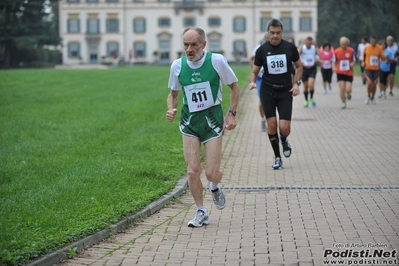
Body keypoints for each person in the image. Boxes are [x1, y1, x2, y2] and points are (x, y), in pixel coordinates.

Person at [166, 27, 240, 228]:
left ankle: (215, 186)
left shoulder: (216, 61)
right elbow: (173, 94)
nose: (189, 49)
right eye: (185, 45)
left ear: (203, 45)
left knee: (211, 173)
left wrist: (231, 113)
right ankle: (201, 211)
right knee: (192, 170)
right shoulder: (177, 66)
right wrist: (171, 109)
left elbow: (234, 86)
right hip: (190, 122)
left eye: (193, 45)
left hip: (212, 121)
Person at [249, 18, 303, 170]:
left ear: (282, 32)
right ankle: (278, 157)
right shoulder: (262, 50)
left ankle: (284, 140)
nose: (275, 36)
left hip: (285, 91)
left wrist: (296, 83)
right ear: (268, 33)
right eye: (272, 33)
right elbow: (254, 71)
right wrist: (253, 82)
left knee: (284, 128)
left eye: (278, 33)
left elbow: (299, 67)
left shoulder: (290, 48)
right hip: (268, 90)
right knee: (271, 124)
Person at [249, 33, 269, 132]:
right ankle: (262, 120)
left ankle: (270, 120)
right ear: (264, 39)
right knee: (261, 101)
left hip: (271, 79)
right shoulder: (258, 48)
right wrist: (255, 69)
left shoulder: (275, 49)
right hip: (260, 78)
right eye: (266, 38)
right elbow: (251, 59)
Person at [362, 35, 387, 105]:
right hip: (368, 68)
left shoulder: (379, 48)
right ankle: (368, 96)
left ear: (376, 41)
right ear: (370, 41)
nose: (373, 43)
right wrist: (363, 62)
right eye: (372, 41)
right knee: (370, 83)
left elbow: (383, 58)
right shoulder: (366, 47)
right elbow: (363, 57)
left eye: (374, 42)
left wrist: (380, 55)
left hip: (376, 68)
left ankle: (373, 97)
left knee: (374, 83)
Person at [332, 37, 356, 109]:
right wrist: (334, 67)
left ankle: (348, 93)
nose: (343, 46)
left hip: (349, 72)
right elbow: (334, 61)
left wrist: (352, 64)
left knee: (348, 89)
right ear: (340, 43)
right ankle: (343, 102)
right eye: (342, 44)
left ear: (348, 44)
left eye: (345, 44)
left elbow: (354, 60)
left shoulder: (351, 51)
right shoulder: (336, 51)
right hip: (340, 72)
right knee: (342, 89)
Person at [298, 36, 319, 107]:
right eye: (307, 43)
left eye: (310, 44)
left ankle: (312, 97)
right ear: (305, 42)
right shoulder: (302, 47)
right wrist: (301, 44)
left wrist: (316, 45)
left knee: (311, 85)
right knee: (306, 87)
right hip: (304, 69)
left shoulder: (314, 48)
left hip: (312, 68)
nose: (308, 45)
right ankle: (306, 100)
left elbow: (320, 55)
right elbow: (297, 53)